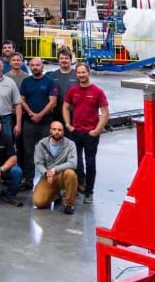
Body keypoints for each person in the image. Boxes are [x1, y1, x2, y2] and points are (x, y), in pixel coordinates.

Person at [62, 62, 109, 204]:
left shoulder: (97, 91)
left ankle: (89, 192)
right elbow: (65, 107)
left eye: (84, 72)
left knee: (90, 163)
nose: (81, 75)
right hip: (75, 132)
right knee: (74, 162)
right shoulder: (73, 90)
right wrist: (68, 125)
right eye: (79, 72)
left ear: (89, 73)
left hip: (91, 134)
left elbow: (105, 113)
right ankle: (75, 188)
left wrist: (97, 130)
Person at [19, 58, 58, 188]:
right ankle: (28, 180)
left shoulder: (50, 82)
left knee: (46, 154)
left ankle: (46, 181)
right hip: (29, 123)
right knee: (28, 152)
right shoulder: (26, 82)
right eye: (32, 65)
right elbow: (21, 100)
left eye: (37, 65)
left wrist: (40, 115)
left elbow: (53, 102)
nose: (35, 67)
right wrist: (31, 113)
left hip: (45, 123)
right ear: (30, 67)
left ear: (42, 66)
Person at [33, 119, 78, 214]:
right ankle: (56, 194)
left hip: (62, 175)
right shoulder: (42, 143)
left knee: (71, 174)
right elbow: (38, 163)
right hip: (48, 176)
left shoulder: (70, 144)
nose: (57, 132)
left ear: (63, 131)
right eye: (54, 129)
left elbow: (73, 163)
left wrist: (55, 169)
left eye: (59, 130)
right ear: (50, 131)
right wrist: (46, 173)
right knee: (38, 202)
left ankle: (69, 204)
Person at [49, 47, 77, 119]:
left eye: (66, 58)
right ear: (58, 60)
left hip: (74, 115)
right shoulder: (52, 76)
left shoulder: (77, 75)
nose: (64, 60)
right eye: (61, 58)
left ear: (71, 60)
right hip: (56, 114)